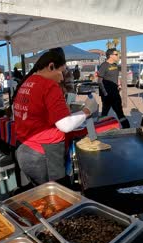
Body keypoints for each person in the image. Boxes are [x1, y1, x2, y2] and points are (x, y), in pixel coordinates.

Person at [13, 51, 98, 185]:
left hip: (24, 150)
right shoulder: (49, 85)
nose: (63, 78)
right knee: (57, 198)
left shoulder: (27, 82)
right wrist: (88, 110)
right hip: (44, 153)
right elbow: (65, 125)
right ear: (51, 66)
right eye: (62, 72)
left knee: (41, 194)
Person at [97, 48, 130, 128]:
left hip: (115, 93)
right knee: (104, 113)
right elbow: (99, 81)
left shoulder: (115, 65)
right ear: (110, 55)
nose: (117, 56)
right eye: (116, 54)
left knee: (119, 112)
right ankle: (99, 128)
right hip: (107, 95)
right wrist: (105, 93)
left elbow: (116, 77)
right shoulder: (104, 65)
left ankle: (126, 128)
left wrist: (119, 84)